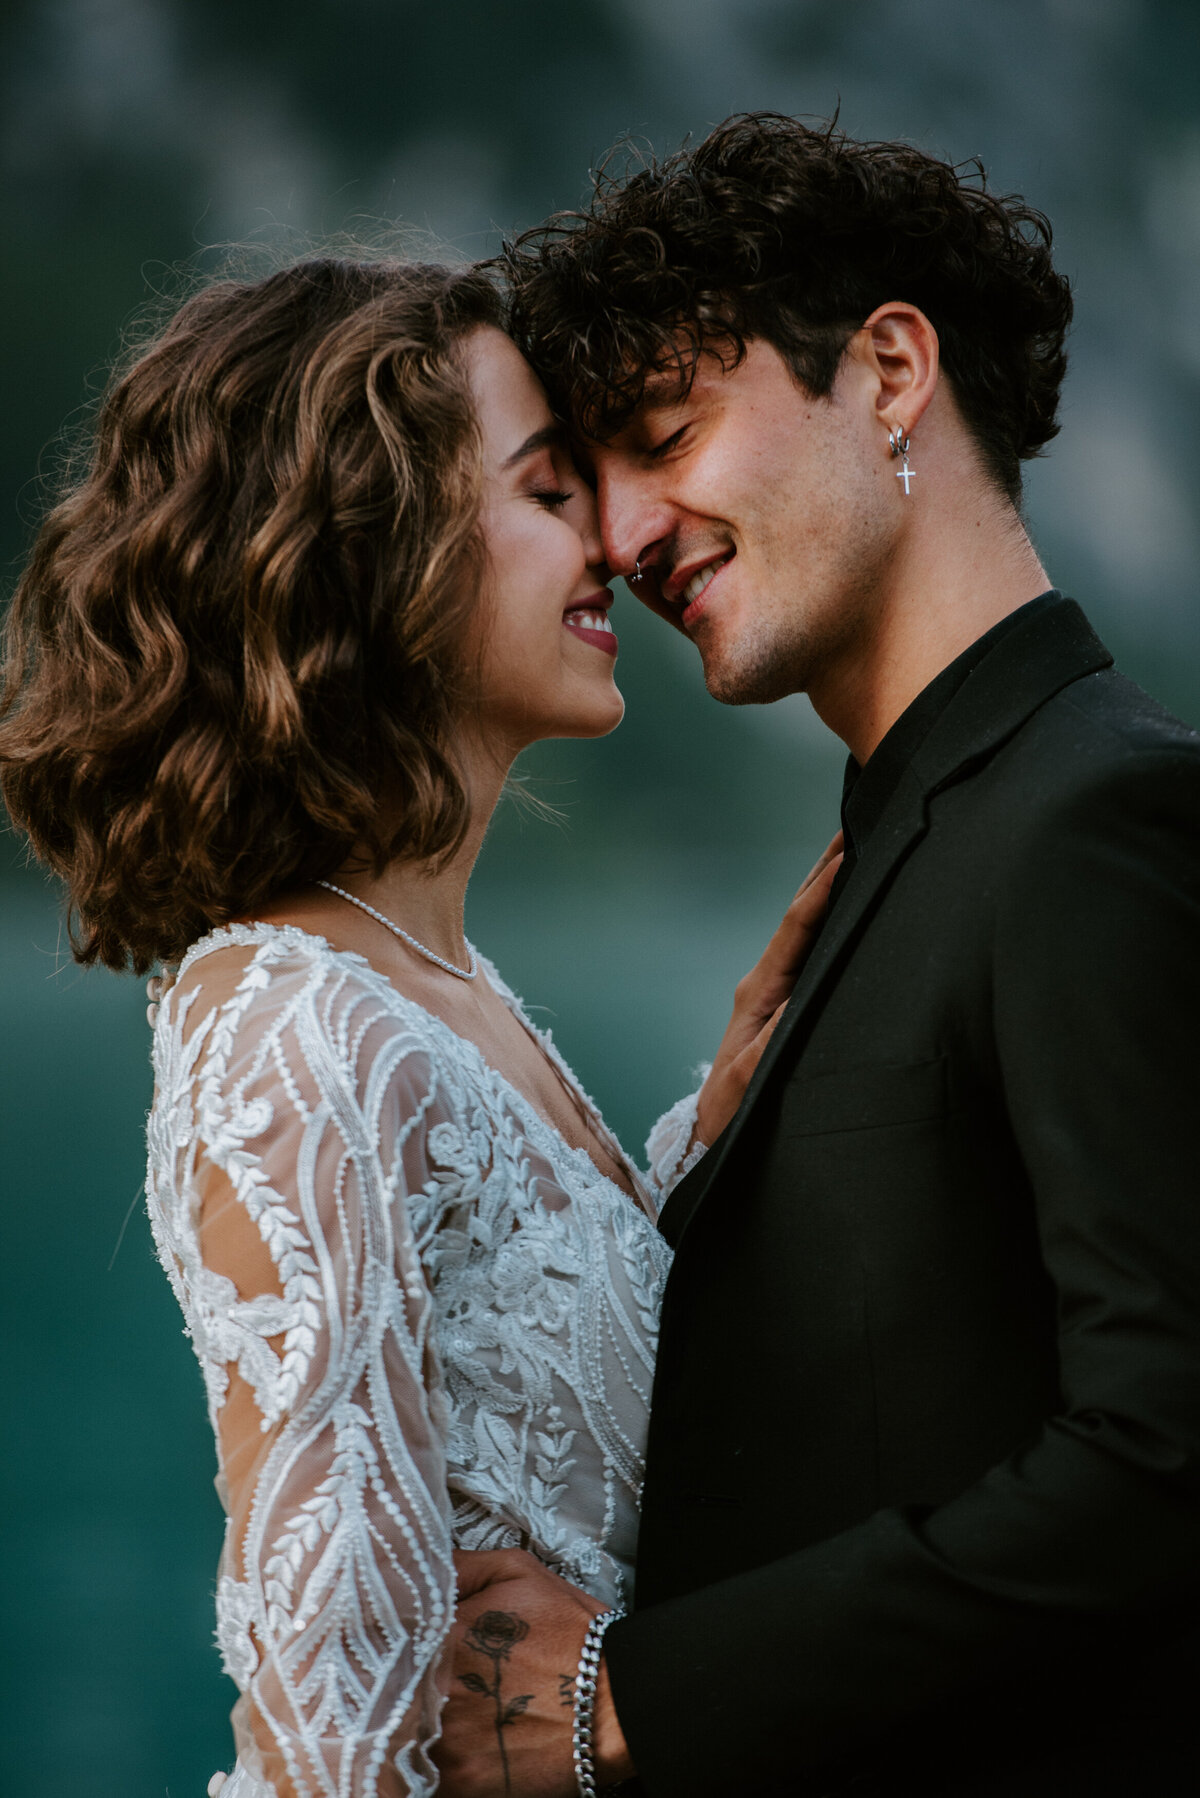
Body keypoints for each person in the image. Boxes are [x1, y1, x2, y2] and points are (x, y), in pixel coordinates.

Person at [0, 254, 840, 1796]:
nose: (613, 538)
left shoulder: (436, 983)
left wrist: (709, 1137)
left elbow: (523, 1402)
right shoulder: (298, 1024)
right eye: (546, 491)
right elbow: (334, 1727)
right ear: (381, 553)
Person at [432, 114, 1200, 1795]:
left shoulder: (1099, 818)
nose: (625, 536)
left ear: (892, 369)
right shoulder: (892, 852)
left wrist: (635, 1699)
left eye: (667, 432)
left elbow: (1167, 1451)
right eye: (590, 476)